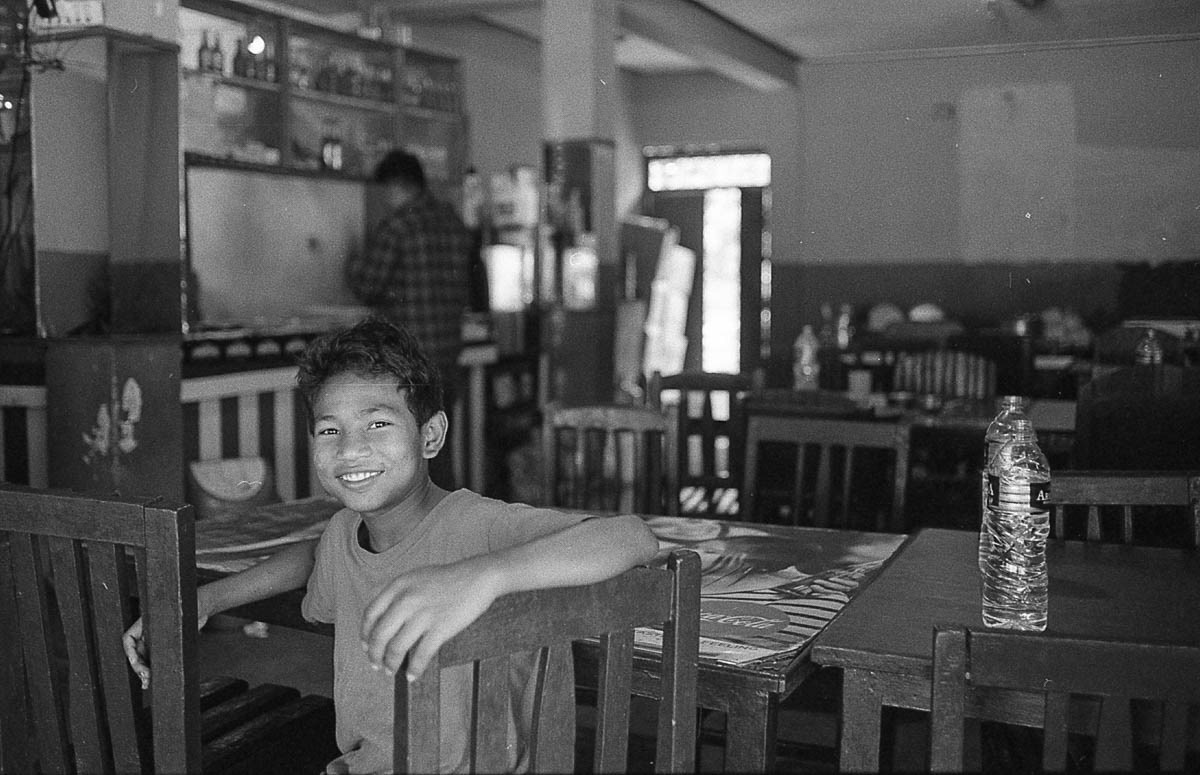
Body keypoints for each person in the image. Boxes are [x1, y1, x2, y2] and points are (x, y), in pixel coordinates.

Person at [124, 317, 659, 774]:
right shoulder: (343, 536)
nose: (351, 448)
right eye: (329, 431)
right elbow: (315, 554)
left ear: (430, 436)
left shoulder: (478, 527)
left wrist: (481, 577)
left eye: (378, 423)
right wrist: (207, 599)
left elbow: (632, 536)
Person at [345, 150, 473, 489]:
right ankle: (448, 516)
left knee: (407, 456)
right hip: (448, 355)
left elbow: (367, 285)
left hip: (409, 359)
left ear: (395, 185)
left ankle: (424, 521)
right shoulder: (453, 222)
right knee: (436, 448)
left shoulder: (398, 226)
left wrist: (351, 259)